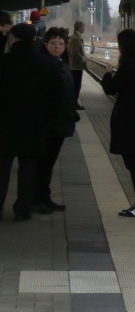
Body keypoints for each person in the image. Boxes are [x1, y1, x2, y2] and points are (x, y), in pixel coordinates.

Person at [0, 22, 59, 220]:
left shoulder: (3, 62)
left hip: (5, 125)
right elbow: (55, 98)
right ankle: (22, 209)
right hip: (35, 125)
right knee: (29, 170)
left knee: (2, 169)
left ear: (13, 38)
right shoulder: (48, 64)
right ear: (34, 39)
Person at [100, 28, 135, 218]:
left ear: (125, 46)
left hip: (131, 123)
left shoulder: (130, 65)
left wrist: (107, 73)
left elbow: (110, 88)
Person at [32, 27, 77, 212]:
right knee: (42, 163)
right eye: (53, 43)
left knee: (49, 162)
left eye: (60, 44)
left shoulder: (60, 63)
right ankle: (36, 199)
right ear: (45, 44)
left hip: (60, 123)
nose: (57, 47)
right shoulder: (44, 65)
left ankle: (44, 197)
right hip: (48, 124)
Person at [67, 20, 86, 109]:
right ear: (79, 27)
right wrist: (82, 59)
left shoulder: (74, 37)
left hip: (74, 66)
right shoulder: (75, 38)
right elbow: (74, 52)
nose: (84, 28)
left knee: (76, 85)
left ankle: (74, 103)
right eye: (83, 27)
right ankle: (74, 104)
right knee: (76, 86)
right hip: (76, 67)